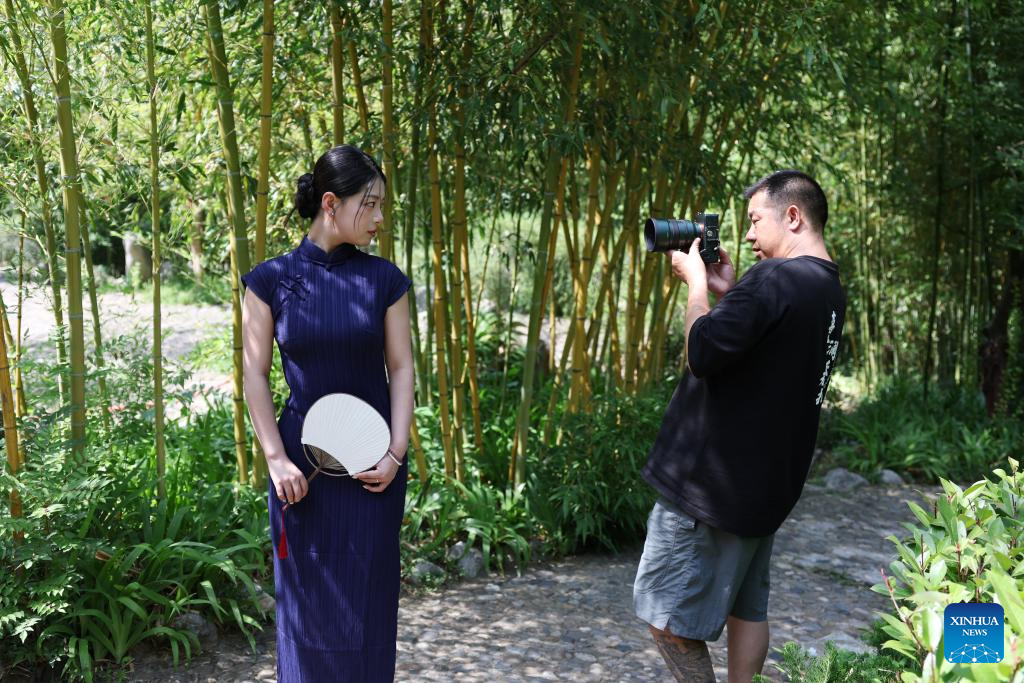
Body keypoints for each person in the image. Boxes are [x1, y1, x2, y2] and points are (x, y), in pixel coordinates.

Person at [633, 170, 846, 682]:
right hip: (764, 486)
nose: (747, 236)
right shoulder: (826, 287)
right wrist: (732, 295)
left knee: (668, 622)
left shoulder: (773, 279)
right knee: (746, 610)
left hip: (711, 487)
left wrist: (698, 287)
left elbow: (700, 352)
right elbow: (765, 356)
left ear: (792, 216)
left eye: (755, 221)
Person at [241, 145, 414, 682]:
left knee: (367, 609)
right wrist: (275, 459)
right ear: (332, 204)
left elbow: (402, 369)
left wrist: (395, 452)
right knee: (306, 610)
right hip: (301, 474)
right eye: (373, 204)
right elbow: (253, 374)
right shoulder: (268, 280)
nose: (382, 217)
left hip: (372, 472)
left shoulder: (385, 280)